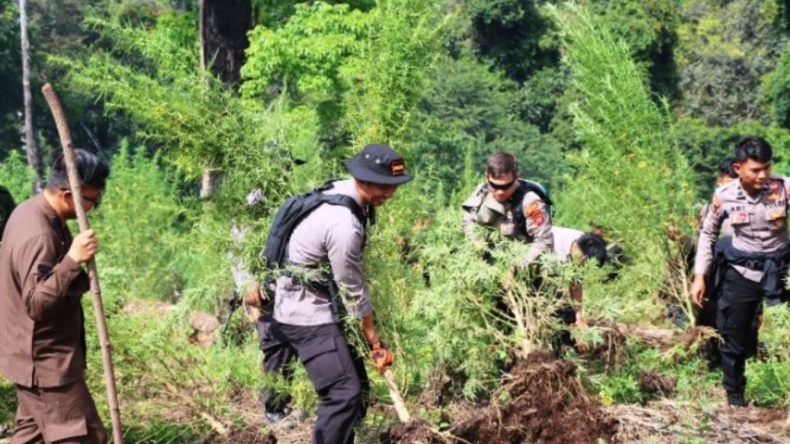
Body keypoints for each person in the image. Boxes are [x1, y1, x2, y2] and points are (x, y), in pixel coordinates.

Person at [267, 144, 411, 444]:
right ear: (363, 179)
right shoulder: (344, 223)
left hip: (320, 306)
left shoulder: (341, 191)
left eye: (394, 186)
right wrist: (373, 338)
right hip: (305, 313)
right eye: (384, 186)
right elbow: (351, 287)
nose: (390, 193)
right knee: (343, 393)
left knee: (358, 390)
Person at [0, 149, 110, 444]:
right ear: (68, 195)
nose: (94, 207)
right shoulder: (39, 235)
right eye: (92, 200)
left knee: (32, 436)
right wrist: (73, 260)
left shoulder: (32, 212)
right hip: (46, 367)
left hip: (34, 360)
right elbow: (36, 303)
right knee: (85, 437)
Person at [690, 136, 790, 407]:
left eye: (767, 167)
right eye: (756, 170)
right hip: (742, 271)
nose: (763, 175)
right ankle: (735, 398)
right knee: (732, 335)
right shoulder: (724, 195)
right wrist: (700, 276)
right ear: (738, 168)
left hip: (781, 267)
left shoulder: (784, 188)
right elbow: (708, 234)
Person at [461, 151, 554, 269]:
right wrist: (476, 243)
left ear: (516, 177)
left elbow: (544, 242)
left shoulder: (530, 202)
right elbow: (468, 221)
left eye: (505, 186)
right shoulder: (482, 192)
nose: (500, 192)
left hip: (525, 261)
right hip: (490, 259)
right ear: (486, 177)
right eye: (495, 186)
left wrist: (517, 266)